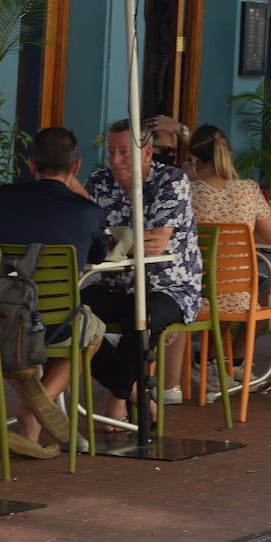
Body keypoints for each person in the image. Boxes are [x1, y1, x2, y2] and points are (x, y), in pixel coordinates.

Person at [0, 127, 109, 457]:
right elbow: (99, 256)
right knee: (93, 332)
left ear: (31, 164)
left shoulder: (0, 198)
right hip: (54, 323)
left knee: (14, 337)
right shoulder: (87, 212)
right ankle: (34, 407)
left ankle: (32, 422)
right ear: (76, 167)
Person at [83, 118, 203, 425]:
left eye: (124, 152)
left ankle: (116, 397)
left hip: (168, 286)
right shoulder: (99, 182)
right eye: (111, 151)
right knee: (69, 315)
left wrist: (114, 242)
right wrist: (122, 242)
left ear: (147, 153)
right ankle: (134, 391)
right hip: (114, 284)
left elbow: (155, 244)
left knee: (142, 320)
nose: (115, 160)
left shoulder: (171, 180)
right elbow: (87, 235)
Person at [159, 124, 271, 402]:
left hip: (193, 297)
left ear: (194, 160)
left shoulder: (186, 193)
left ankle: (211, 363)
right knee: (269, 291)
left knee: (214, 284)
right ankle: (229, 362)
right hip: (239, 298)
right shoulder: (248, 190)